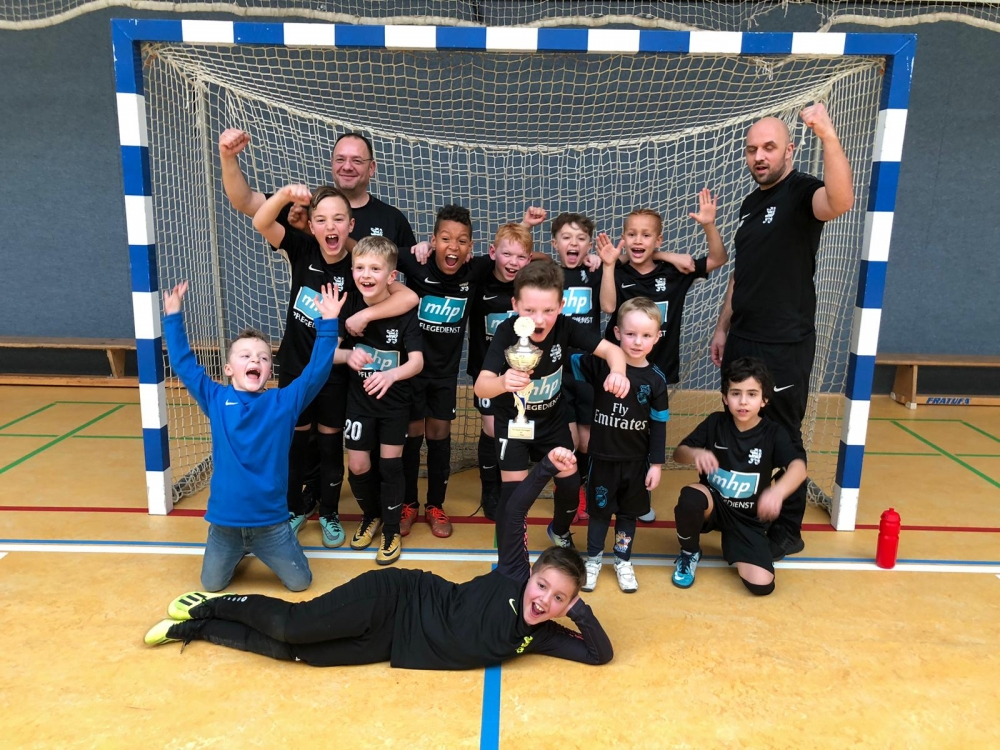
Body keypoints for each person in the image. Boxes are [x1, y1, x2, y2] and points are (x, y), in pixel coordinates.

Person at [143, 449, 614, 671]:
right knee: (296, 626)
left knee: (302, 654)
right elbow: (513, 513)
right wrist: (545, 468)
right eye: (543, 585)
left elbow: (599, 654)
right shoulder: (513, 574)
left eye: (559, 599)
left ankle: (195, 630)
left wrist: (579, 611)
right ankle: (208, 605)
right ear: (531, 575)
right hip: (398, 597)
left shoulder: (541, 636)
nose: (544, 600)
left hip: (396, 641)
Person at [709, 103, 854, 560]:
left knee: (782, 434)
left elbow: (840, 202)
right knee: (742, 427)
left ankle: (788, 529)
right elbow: (742, 275)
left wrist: (828, 135)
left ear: (789, 150)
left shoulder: (802, 191)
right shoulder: (750, 205)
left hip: (784, 344)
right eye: (752, 149)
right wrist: (722, 326)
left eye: (769, 147)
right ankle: (746, 512)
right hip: (743, 338)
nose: (759, 156)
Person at [254, 185, 418, 546]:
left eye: (339, 219)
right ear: (311, 225)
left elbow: (409, 297)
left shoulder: (358, 268)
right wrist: (283, 196)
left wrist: (365, 315)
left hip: (334, 372)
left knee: (330, 444)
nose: (330, 226)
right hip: (297, 368)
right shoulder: (302, 248)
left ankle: (329, 512)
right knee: (296, 443)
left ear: (350, 225)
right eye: (322, 219)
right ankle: (294, 508)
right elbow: (261, 221)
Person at [161, 279, 344, 592]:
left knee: (301, 583)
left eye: (263, 357)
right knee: (211, 585)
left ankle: (267, 547)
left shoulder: (283, 403)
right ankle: (238, 551)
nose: (255, 360)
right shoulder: (216, 399)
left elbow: (316, 371)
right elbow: (184, 364)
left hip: (271, 525)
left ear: (270, 371)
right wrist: (173, 317)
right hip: (225, 527)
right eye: (244, 356)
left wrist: (328, 324)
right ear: (228, 369)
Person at [474, 260, 630, 550]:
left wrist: (618, 372)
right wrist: (503, 382)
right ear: (515, 305)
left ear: (561, 306)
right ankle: (510, 554)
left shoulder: (566, 327)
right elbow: (481, 385)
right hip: (513, 423)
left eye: (548, 310)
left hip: (553, 422)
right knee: (515, 495)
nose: (539, 319)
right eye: (530, 310)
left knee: (570, 485)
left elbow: (612, 351)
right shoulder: (507, 332)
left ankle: (559, 531)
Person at [597, 195, 728, 522]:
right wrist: (613, 264)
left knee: (646, 433)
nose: (637, 240)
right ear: (623, 237)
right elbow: (608, 307)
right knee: (614, 429)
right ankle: (603, 492)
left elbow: (718, 258)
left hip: (657, 370)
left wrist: (708, 225)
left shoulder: (674, 271)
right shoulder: (616, 268)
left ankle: (638, 497)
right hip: (618, 370)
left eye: (646, 235)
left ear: (659, 240)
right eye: (631, 234)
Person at [396, 205, 497, 538]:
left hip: (444, 375)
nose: (453, 246)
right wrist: (414, 248)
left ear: (471, 247)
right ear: (433, 241)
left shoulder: (476, 270)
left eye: (462, 241)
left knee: (439, 436)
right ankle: (408, 503)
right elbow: (371, 252)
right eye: (445, 239)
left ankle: (435, 505)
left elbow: (518, 255)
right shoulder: (416, 263)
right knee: (411, 436)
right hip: (410, 369)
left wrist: (526, 224)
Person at [671, 357, 807, 595]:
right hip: (713, 504)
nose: (743, 401)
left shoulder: (773, 433)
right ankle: (689, 551)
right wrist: (695, 453)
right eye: (736, 393)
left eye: (752, 394)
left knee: (762, 586)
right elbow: (678, 454)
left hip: (747, 518)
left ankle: (734, 542)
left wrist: (777, 492)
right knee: (690, 497)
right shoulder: (715, 423)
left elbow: (799, 467)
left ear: (764, 399)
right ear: (725, 397)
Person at [334, 236, 424, 565]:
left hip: (394, 403)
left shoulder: (404, 312)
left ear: (391, 276)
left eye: (375, 268)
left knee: (390, 465)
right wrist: (348, 356)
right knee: (358, 466)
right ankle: (371, 515)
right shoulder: (348, 305)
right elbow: (327, 353)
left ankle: (391, 529)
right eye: (360, 267)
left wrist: (391, 375)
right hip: (358, 403)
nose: (366, 275)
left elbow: (417, 362)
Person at [570, 298, 670, 593]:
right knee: (599, 514)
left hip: (636, 463)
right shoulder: (600, 365)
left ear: (657, 337)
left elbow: (659, 426)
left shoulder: (656, 380)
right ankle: (593, 560)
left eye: (646, 335)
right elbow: (566, 359)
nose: (637, 342)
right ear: (616, 333)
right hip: (602, 459)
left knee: (627, 515)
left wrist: (656, 464)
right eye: (630, 334)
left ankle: (623, 560)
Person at [218, 129, 417, 249]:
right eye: (340, 159)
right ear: (332, 164)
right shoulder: (304, 205)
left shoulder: (393, 219)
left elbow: (415, 273)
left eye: (357, 160)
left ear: (371, 168)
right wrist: (228, 157)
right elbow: (244, 202)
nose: (347, 167)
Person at [465, 223, 534, 520]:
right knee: (492, 429)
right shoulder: (480, 280)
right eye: (507, 255)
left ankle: (512, 486)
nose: (512, 262)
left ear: (529, 260)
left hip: (521, 375)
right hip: (487, 373)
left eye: (520, 257)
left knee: (516, 428)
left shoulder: (529, 286)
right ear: (493, 253)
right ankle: (490, 487)